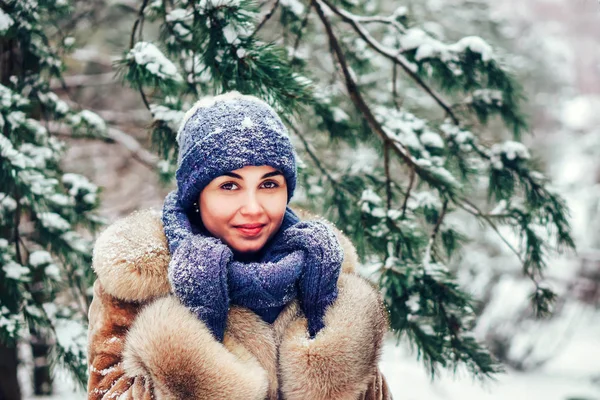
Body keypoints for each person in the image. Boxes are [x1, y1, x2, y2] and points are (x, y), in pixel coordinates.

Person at [87, 91, 392, 399]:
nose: (253, 208)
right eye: (229, 186)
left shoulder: (319, 267)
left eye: (269, 184)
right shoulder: (136, 284)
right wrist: (196, 337)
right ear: (196, 195)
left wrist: (326, 324)